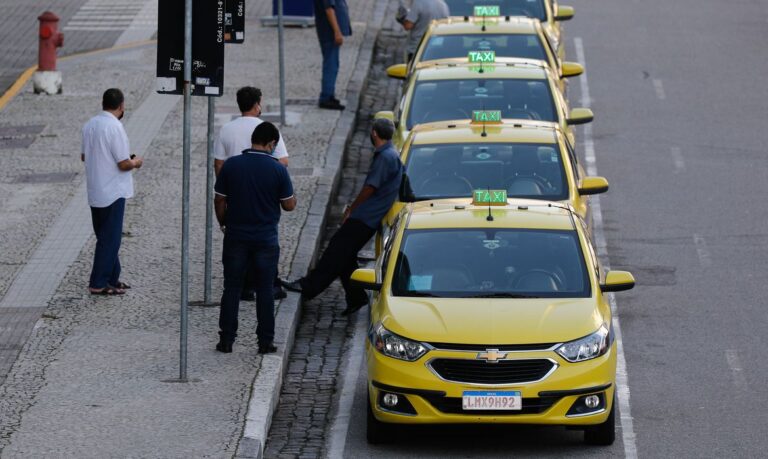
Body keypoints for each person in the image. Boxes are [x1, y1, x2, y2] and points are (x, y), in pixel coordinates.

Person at [281, 118, 403, 315]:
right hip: (370, 217)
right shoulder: (391, 154)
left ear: (374, 133)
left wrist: (351, 209)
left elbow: (370, 188)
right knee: (345, 257)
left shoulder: (385, 157)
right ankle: (356, 297)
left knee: (335, 252)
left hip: (365, 217)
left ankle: (308, 286)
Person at [214, 122, 297, 354]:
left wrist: (224, 222)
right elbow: (289, 205)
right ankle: (265, 342)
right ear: (271, 144)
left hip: (236, 236)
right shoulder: (278, 169)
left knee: (231, 287)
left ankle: (227, 340)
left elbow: (219, 199)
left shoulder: (232, 165)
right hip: (265, 239)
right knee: (264, 289)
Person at [215, 86, 289, 301]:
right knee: (266, 238)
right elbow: (283, 161)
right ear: (257, 105)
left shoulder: (226, 129)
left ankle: (244, 286)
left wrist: (226, 187)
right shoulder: (266, 128)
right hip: (264, 191)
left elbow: (219, 163)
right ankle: (270, 284)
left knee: (238, 239)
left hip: (235, 191)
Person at [81, 88, 143, 295]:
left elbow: (84, 156)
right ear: (121, 105)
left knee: (106, 236)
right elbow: (123, 164)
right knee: (111, 239)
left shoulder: (89, 125)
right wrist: (136, 162)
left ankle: (112, 277)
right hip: (113, 191)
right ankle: (98, 282)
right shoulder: (114, 127)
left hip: (95, 190)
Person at [313, 0, 352, 110]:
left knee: (332, 63)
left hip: (327, 30)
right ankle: (326, 97)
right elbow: (329, 10)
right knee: (331, 65)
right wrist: (337, 31)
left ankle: (329, 94)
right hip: (329, 32)